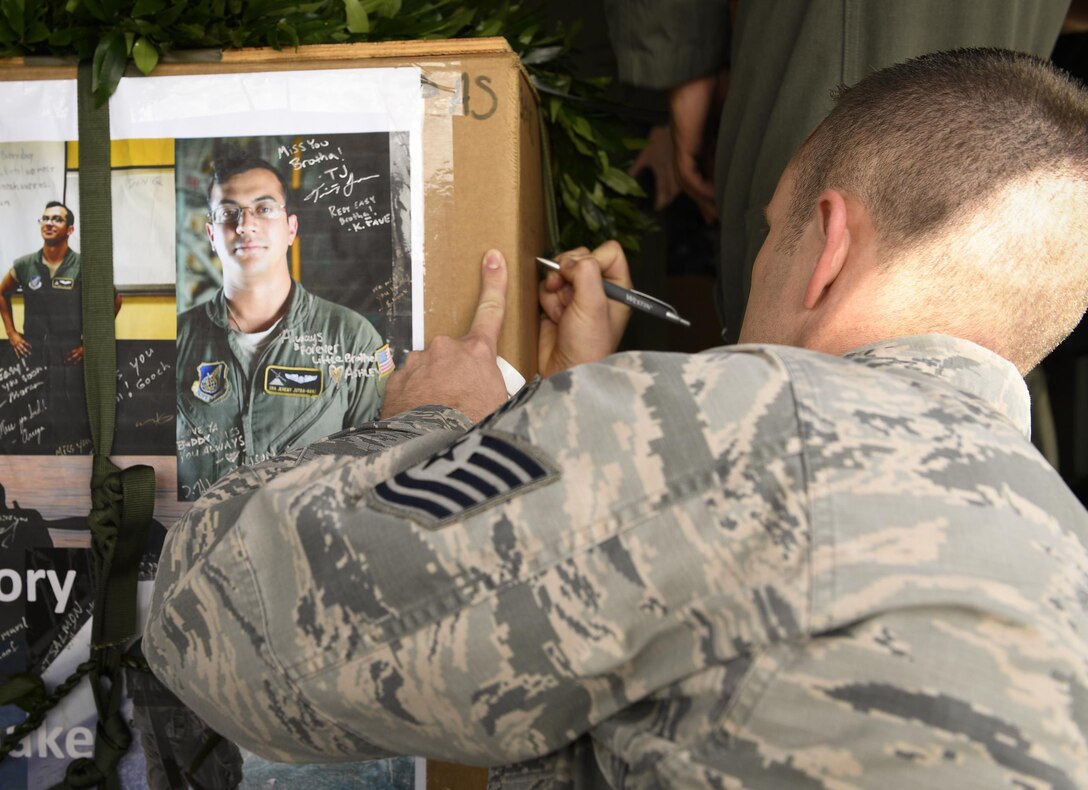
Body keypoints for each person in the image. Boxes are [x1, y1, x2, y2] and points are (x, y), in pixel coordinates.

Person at [146, 49, 1088, 787]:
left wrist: (438, 424)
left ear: (829, 246)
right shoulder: (1061, 538)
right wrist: (565, 423)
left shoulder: (745, 425)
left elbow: (207, 619)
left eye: (767, 233)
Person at [603, 0, 1072, 342]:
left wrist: (678, 58)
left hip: (842, 33)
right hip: (1009, 59)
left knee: (795, 336)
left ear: (833, 238)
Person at [175, 151, 394, 501]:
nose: (245, 225)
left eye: (263, 209)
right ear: (212, 236)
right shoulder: (176, 341)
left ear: (291, 229)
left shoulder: (352, 338)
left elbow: (377, 473)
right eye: (229, 213)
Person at [0, 201, 120, 450]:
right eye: (45, 218)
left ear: (70, 230)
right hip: (32, 350)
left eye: (56, 219)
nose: (49, 223)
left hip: (70, 353)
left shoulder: (84, 264)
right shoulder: (24, 265)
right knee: (33, 415)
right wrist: (11, 333)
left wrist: (92, 343)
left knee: (71, 415)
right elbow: (2, 293)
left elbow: (114, 301)